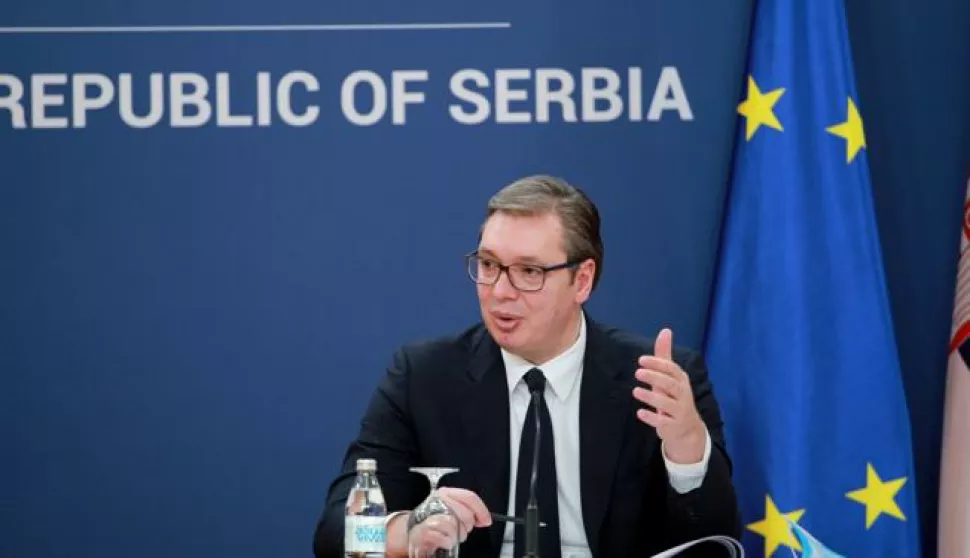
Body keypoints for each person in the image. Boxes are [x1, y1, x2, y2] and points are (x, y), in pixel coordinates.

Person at [313, 175, 741, 558]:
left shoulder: (656, 380)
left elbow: (719, 541)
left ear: (583, 280)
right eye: (489, 265)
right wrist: (406, 533)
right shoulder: (423, 377)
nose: (500, 291)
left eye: (529, 271)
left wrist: (686, 448)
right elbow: (335, 535)